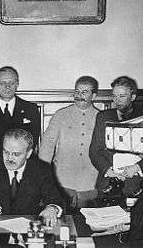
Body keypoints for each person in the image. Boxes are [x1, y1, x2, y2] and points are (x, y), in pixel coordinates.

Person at [0, 128, 64, 227]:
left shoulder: (40, 170)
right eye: (6, 152)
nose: (10, 158)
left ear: (28, 153)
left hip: (28, 229)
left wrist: (52, 208)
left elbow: (56, 200)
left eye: (16, 154)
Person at [39, 76, 99, 208]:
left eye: (84, 92)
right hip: (63, 180)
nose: (79, 95)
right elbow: (48, 144)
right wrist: (42, 172)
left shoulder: (100, 117)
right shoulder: (61, 115)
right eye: (77, 91)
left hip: (91, 180)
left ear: (93, 96)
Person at [89, 76, 143, 197]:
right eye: (114, 96)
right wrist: (108, 171)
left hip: (138, 185)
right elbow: (94, 151)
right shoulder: (103, 117)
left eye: (122, 96)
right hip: (107, 184)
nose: (117, 101)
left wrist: (137, 168)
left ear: (133, 97)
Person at [0, 66, 41, 157]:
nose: (7, 86)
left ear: (17, 84)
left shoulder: (31, 109)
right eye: (3, 83)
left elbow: (32, 142)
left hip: (23, 164)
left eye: (11, 83)